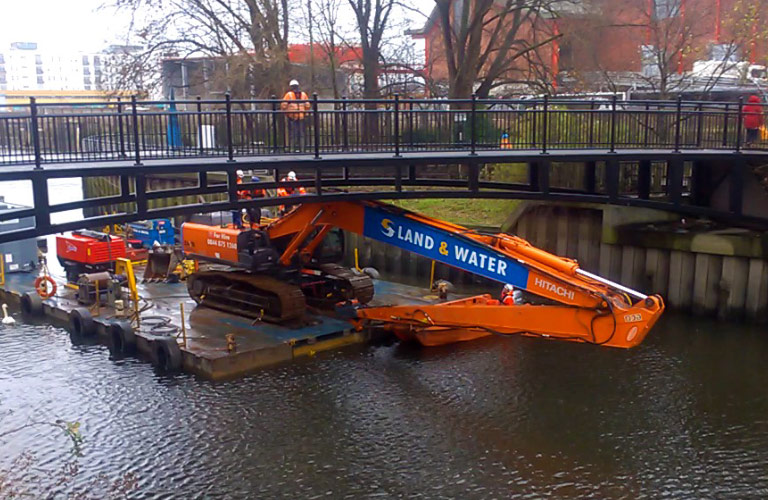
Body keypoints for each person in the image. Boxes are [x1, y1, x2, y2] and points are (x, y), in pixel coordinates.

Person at [281, 80, 311, 153]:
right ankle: (302, 150)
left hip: (292, 116)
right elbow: (308, 105)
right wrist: (304, 111)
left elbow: (283, 105)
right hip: (301, 116)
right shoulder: (303, 94)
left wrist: (286, 112)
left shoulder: (289, 95)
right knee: (301, 134)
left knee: (292, 134)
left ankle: (291, 149)